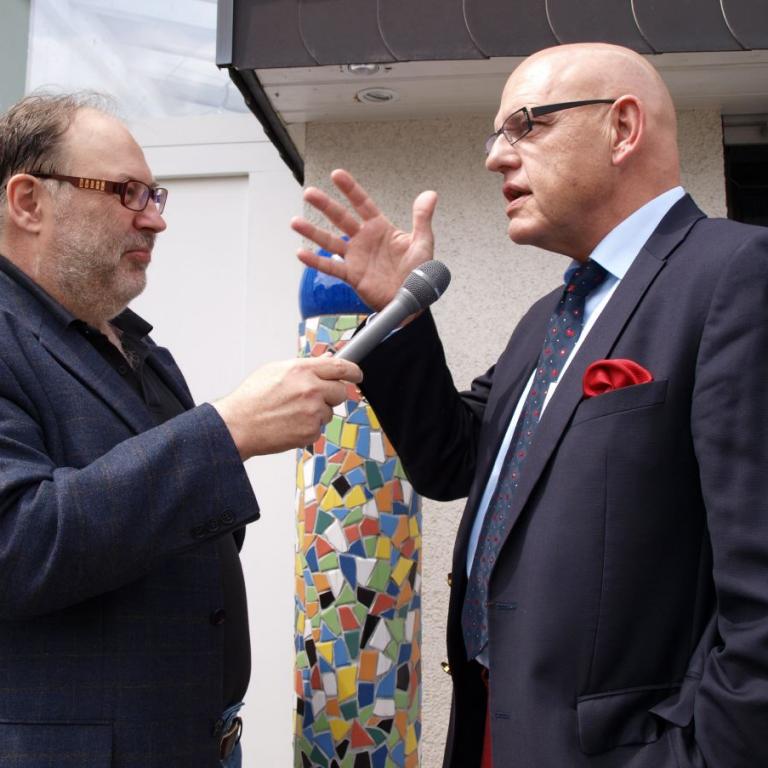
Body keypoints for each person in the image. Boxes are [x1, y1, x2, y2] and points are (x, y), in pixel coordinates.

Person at [291, 42, 768, 768]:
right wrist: (399, 316)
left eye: (526, 125)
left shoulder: (736, 274)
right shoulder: (549, 317)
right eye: (496, 134)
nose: (496, 157)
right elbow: (453, 460)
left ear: (623, 128)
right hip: (496, 731)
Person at [0, 93, 361, 768]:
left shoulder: (137, 347)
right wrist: (227, 431)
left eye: (155, 195)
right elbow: (18, 544)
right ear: (28, 202)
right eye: (126, 193)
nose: (155, 219)